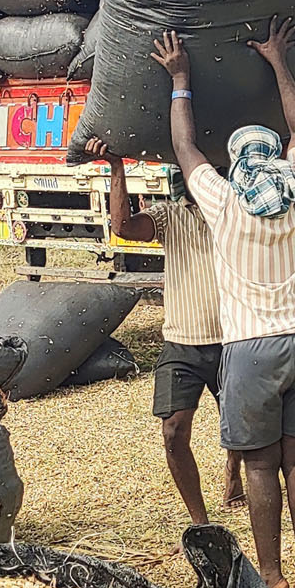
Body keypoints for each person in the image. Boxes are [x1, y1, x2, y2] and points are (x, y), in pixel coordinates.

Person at [156, 17, 295, 588]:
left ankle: (273, 576)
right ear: (276, 158)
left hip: (251, 349)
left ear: (236, 166)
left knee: (258, 468)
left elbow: (184, 146)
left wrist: (180, 77)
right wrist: (279, 60)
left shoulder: (226, 204)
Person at [83, 135, 244, 528]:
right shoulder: (172, 216)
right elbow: (122, 227)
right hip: (182, 344)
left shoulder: (236, 212)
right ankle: (200, 522)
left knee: (241, 429)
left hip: (234, 341)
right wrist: (116, 170)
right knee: (173, 432)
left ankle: (234, 470)